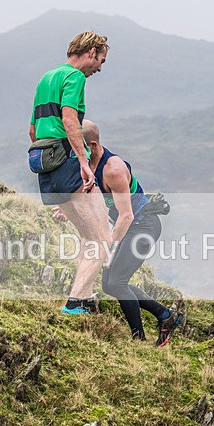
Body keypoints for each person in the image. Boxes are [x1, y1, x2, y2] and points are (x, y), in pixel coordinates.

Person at [56, 120, 183, 345]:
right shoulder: (87, 164)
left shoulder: (113, 170)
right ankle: (165, 315)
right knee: (110, 284)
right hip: (126, 227)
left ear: (92, 145)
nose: (74, 152)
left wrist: (108, 248)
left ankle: (139, 339)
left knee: (117, 282)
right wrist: (69, 210)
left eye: (78, 146)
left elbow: (126, 215)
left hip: (143, 226)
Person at [29, 31, 112, 314]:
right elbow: (68, 118)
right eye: (100, 60)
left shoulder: (46, 78)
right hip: (67, 162)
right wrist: (83, 162)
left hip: (46, 164)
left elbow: (32, 129)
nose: (99, 68)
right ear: (90, 51)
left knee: (87, 238)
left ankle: (85, 300)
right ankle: (74, 303)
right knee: (102, 239)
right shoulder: (74, 77)